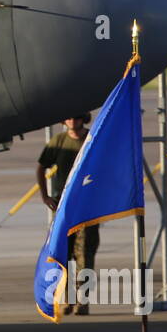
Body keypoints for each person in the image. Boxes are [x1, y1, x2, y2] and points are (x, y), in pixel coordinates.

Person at [37, 114, 98, 315]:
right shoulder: (59, 141)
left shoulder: (92, 138)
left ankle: (83, 300)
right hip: (64, 208)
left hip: (87, 207)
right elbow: (41, 166)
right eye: (69, 118)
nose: (72, 121)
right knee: (64, 255)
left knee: (85, 255)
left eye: (76, 117)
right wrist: (45, 196)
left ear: (83, 119)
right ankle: (68, 300)